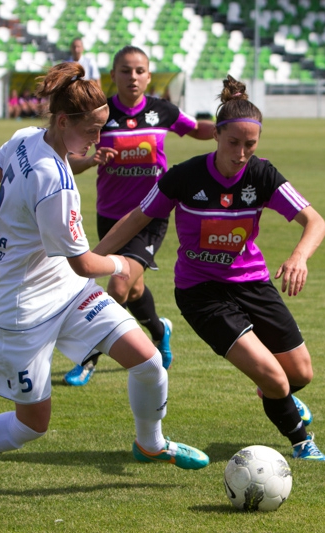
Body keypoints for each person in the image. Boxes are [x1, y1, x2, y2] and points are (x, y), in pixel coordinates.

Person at [0, 61, 209, 487]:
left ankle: (151, 444)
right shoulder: (53, 181)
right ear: (63, 122)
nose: (99, 139)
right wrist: (125, 264)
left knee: (150, 363)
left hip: (70, 292)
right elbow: (85, 263)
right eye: (92, 130)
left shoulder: (26, 138)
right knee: (32, 426)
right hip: (23, 309)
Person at [94, 76, 325, 461]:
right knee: (274, 376)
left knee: (300, 374)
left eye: (250, 145)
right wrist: (90, 260)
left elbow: (315, 222)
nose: (241, 153)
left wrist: (299, 256)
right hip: (200, 292)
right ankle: (303, 442)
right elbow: (137, 218)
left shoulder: (262, 175)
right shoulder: (185, 177)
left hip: (252, 283)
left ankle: (277, 394)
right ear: (216, 135)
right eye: (233, 143)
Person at [62, 45, 216, 387]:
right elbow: (69, 159)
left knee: (118, 285)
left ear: (148, 76)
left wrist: (228, 128)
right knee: (134, 290)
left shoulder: (163, 110)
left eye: (139, 71)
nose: (133, 77)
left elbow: (196, 129)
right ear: (112, 76)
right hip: (110, 217)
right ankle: (160, 331)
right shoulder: (100, 115)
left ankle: (88, 358)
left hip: (151, 215)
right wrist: (90, 160)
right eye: (125, 70)